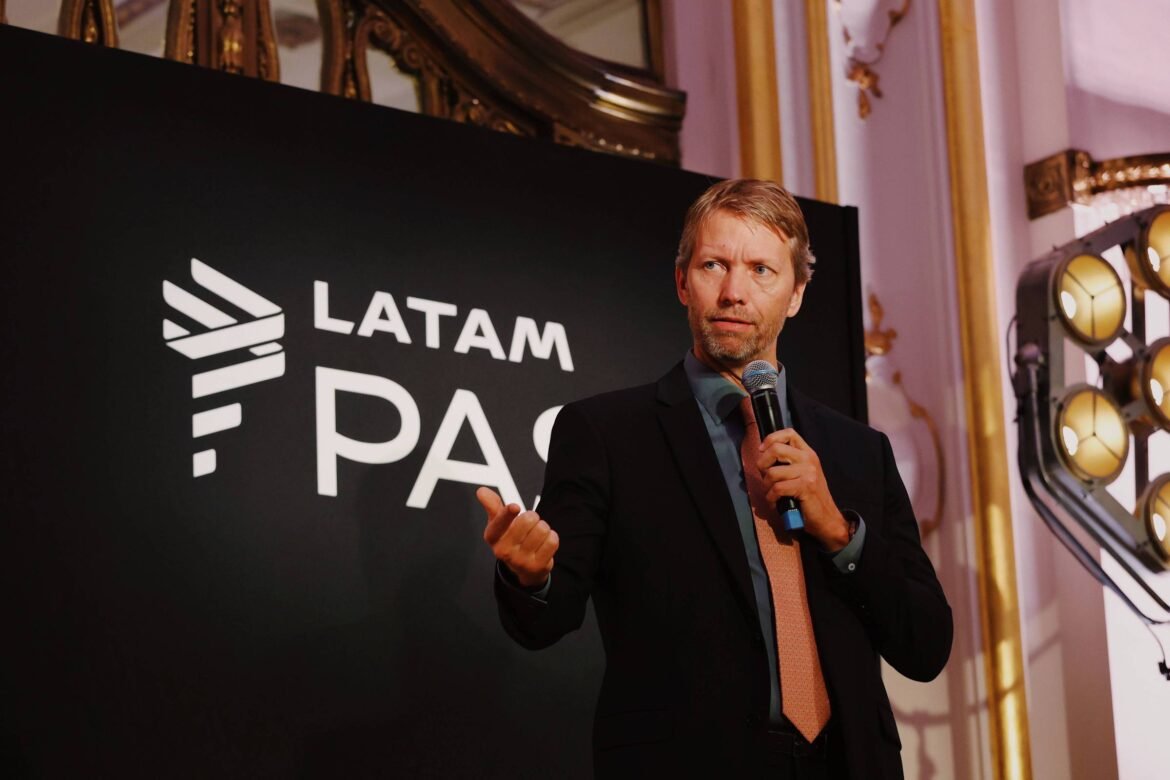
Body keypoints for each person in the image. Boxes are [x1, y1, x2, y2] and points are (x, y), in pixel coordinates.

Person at [477, 179, 951, 778]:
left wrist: (839, 531)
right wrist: (531, 576)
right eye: (713, 265)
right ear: (682, 282)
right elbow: (546, 619)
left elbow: (925, 645)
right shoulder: (606, 433)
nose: (733, 292)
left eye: (761, 270)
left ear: (796, 294)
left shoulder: (860, 451)